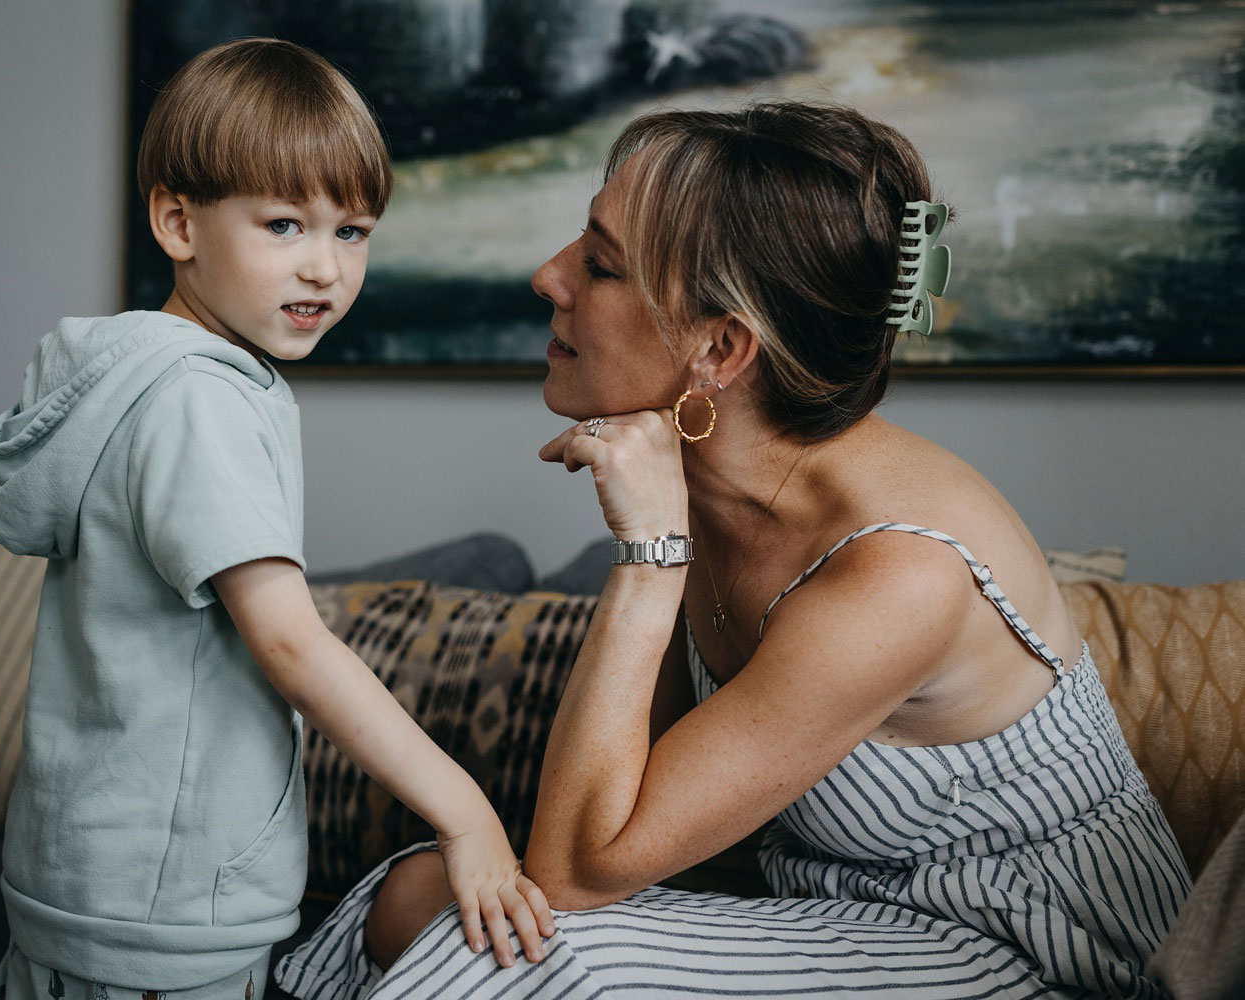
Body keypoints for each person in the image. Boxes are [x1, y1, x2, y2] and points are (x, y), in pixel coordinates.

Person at [274, 101, 1193, 999]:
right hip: (835, 911)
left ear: (720, 347)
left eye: (599, 266)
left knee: (511, 950)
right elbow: (623, 814)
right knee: (418, 898)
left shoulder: (898, 571)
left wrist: (648, 555)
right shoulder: (722, 487)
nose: (547, 277)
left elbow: (576, 870)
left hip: (1029, 946)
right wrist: (668, 541)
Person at [0, 38, 553, 1000]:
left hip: (83, 868)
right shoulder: (202, 399)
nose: (325, 267)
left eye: (353, 230)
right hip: (166, 902)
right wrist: (465, 813)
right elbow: (288, 643)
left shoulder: (135, 382)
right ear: (177, 222)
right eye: (284, 224)